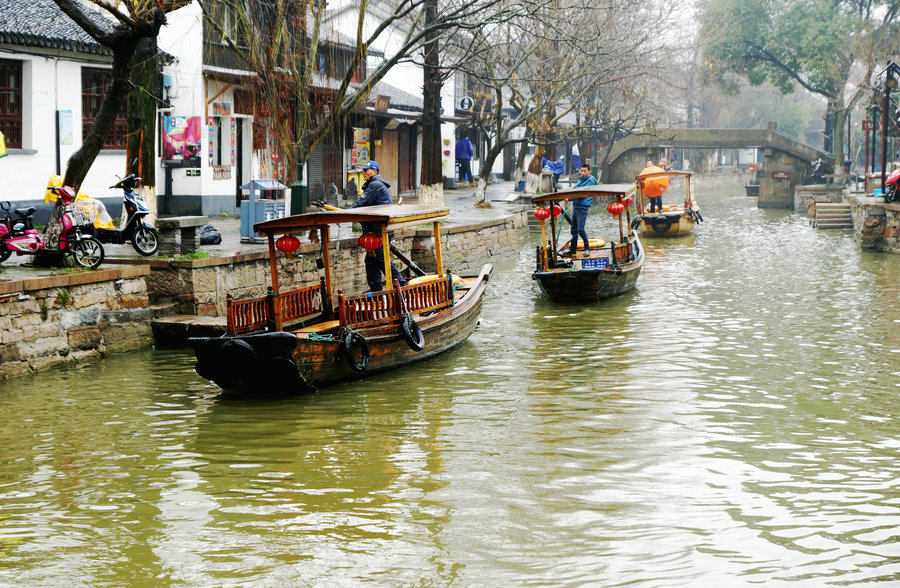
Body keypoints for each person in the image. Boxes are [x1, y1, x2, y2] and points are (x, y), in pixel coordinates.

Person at [351, 160, 407, 292]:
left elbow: (361, 204)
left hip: (379, 231)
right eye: (363, 170)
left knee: (382, 260)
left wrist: (343, 214)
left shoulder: (375, 185)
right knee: (371, 262)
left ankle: (402, 286)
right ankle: (376, 290)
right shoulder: (374, 184)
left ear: (375, 171)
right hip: (374, 230)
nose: (364, 173)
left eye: (366, 170)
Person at [567, 163, 597, 256]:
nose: (583, 173)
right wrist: (567, 195)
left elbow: (582, 193)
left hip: (582, 207)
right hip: (576, 206)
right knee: (573, 229)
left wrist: (570, 198)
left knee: (580, 229)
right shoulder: (580, 179)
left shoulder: (591, 180)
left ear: (589, 171)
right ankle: (572, 250)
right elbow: (575, 189)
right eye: (581, 171)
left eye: (585, 171)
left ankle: (587, 248)